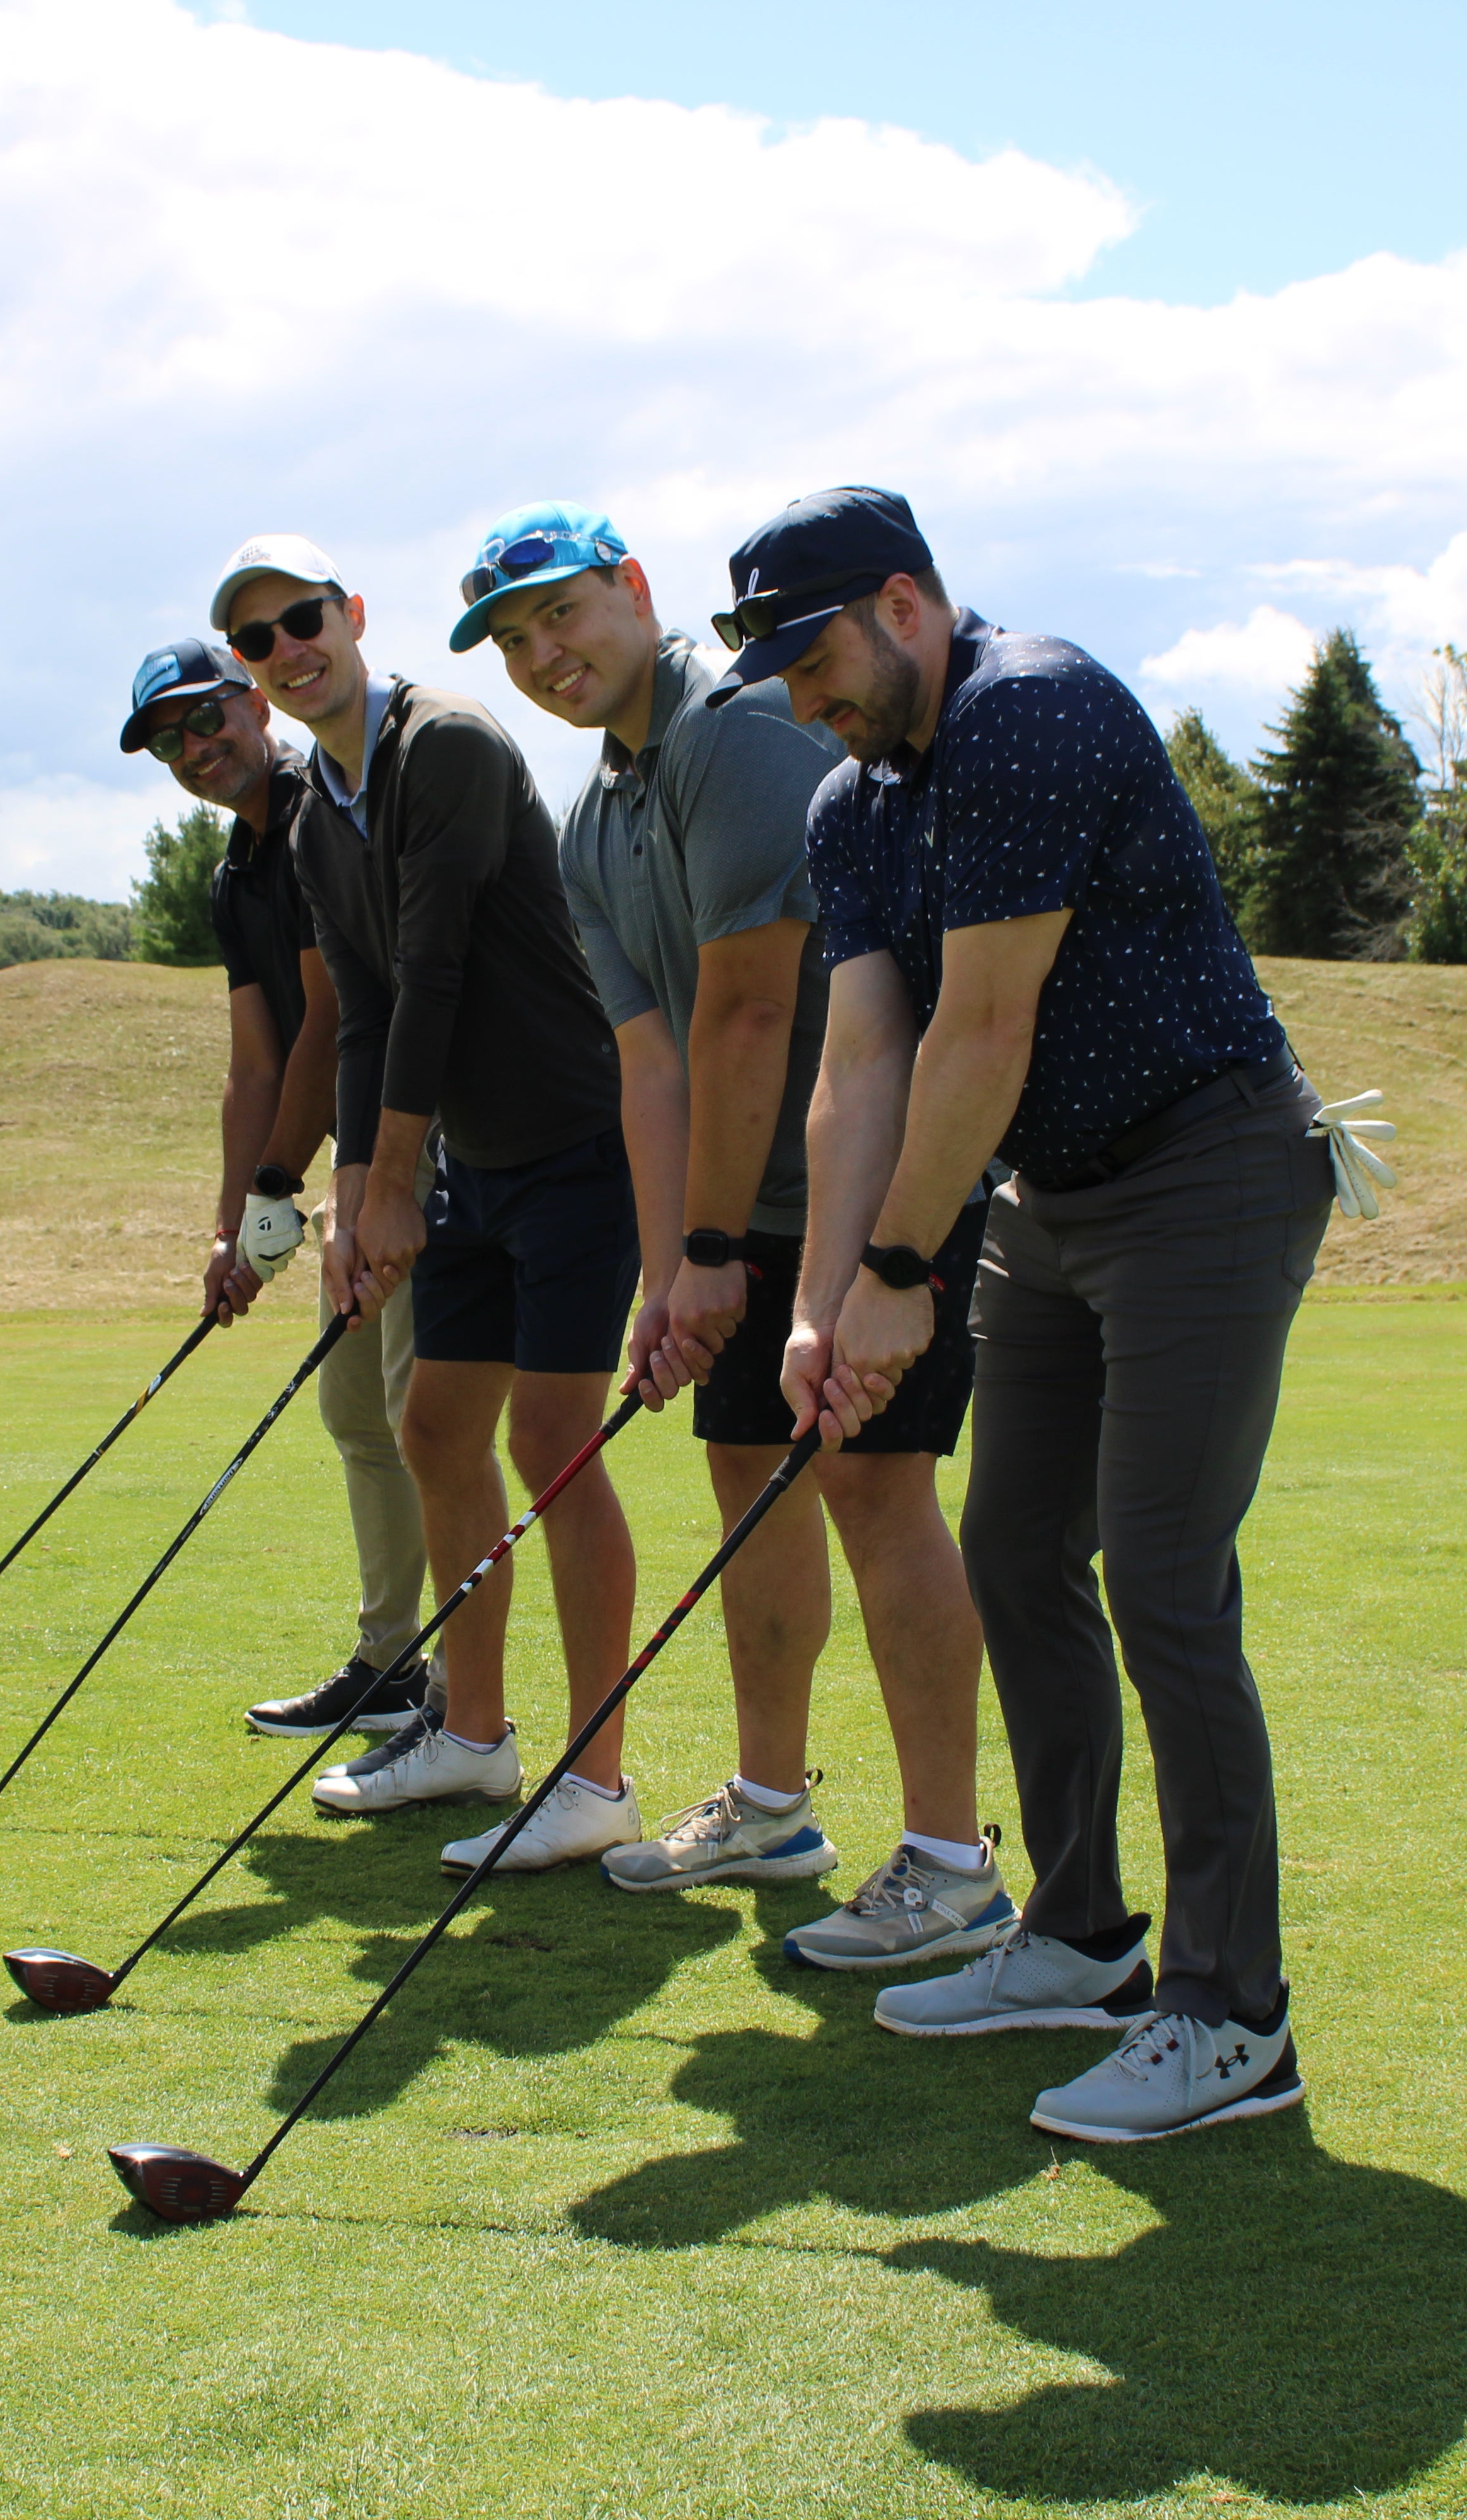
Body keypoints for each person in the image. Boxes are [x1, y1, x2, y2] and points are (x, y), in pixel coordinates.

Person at [721, 485, 1330, 2142]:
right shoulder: (854, 805)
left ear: (906, 605)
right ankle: (1077, 1935)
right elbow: (861, 1067)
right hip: (1051, 1202)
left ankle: (1233, 2015)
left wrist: (903, 1280)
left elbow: (980, 1037)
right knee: (1012, 1553)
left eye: (816, 656)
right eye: (776, 672)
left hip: (1208, 1166)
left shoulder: (1033, 711)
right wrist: (825, 1303)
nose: (804, 700)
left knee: (1165, 1578)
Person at [451, 501, 1015, 1971]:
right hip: (740, 1212)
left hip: (888, 1183)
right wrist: (673, 1271)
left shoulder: (741, 728)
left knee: (875, 1487)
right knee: (743, 1475)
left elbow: (756, 1005)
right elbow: (651, 1059)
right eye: (514, 639)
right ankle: (773, 1803)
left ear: (636, 590)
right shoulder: (594, 822)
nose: (543, 652)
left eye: (562, 613)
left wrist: (710, 1244)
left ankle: (951, 1857)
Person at [207, 534, 647, 1874]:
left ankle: (595, 1776)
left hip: (579, 1141)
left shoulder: (442, 742)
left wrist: (392, 1176)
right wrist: (354, 1193)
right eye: (258, 643)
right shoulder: (319, 811)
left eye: (301, 621)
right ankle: (473, 1733)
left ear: (350, 614)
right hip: (473, 1162)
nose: (288, 653)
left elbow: (439, 973)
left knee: (553, 1439)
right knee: (435, 1426)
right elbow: (359, 1001)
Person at [116, 636, 437, 1739]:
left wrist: (275, 1192)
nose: (196, 749)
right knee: (359, 1409)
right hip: (347, 1160)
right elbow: (257, 1059)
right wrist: (232, 1231)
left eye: (207, 720)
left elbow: (333, 1022)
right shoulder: (234, 875)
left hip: (414, 1142)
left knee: (413, 1411)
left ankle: (447, 1694)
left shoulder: (315, 821)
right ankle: (396, 1668)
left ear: (255, 705)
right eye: (169, 742)